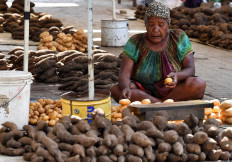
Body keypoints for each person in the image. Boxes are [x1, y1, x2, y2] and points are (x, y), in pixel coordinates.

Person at [110, 1, 206, 103]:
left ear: (168, 25)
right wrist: (126, 88)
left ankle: (154, 104)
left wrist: (178, 75)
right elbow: (124, 74)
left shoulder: (178, 37)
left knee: (198, 84)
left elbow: (190, 69)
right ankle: (163, 104)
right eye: (151, 25)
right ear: (145, 25)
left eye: (161, 25)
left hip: (173, 90)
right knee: (116, 89)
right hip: (143, 90)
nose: (156, 29)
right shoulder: (135, 41)